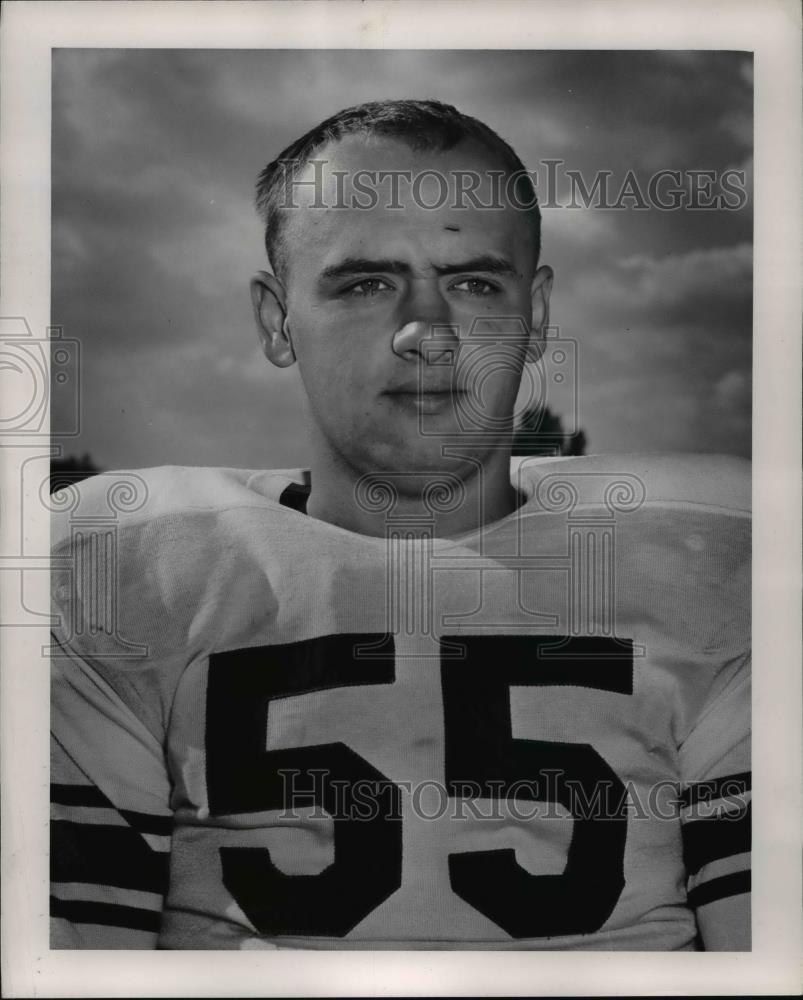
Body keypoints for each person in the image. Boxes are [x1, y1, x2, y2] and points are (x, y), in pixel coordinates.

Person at [50, 99, 750, 950]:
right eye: (365, 284)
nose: (427, 331)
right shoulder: (117, 570)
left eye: (473, 282)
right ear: (277, 321)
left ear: (534, 315)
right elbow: (80, 958)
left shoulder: (719, 559)